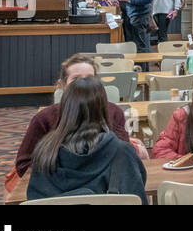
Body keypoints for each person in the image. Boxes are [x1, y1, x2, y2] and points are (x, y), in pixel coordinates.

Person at [15, 53, 147, 178]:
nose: (83, 84)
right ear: (63, 85)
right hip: (59, 186)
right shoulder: (44, 118)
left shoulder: (114, 112)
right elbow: (23, 164)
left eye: (89, 78)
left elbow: (122, 158)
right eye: (76, 79)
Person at [25, 76, 147, 204]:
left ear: (65, 109)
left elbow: (35, 198)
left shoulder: (44, 151)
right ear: (104, 109)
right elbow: (137, 199)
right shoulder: (122, 152)